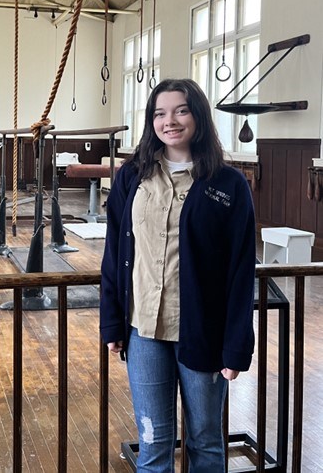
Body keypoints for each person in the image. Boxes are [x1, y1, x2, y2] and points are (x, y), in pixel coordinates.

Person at [100, 78, 256, 472]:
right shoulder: (132, 177)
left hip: (203, 334)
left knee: (205, 445)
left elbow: (241, 269)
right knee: (153, 445)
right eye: (159, 113)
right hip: (144, 331)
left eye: (180, 110)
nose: (169, 121)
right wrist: (111, 322)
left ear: (198, 116)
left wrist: (236, 345)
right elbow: (114, 251)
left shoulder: (228, 184)